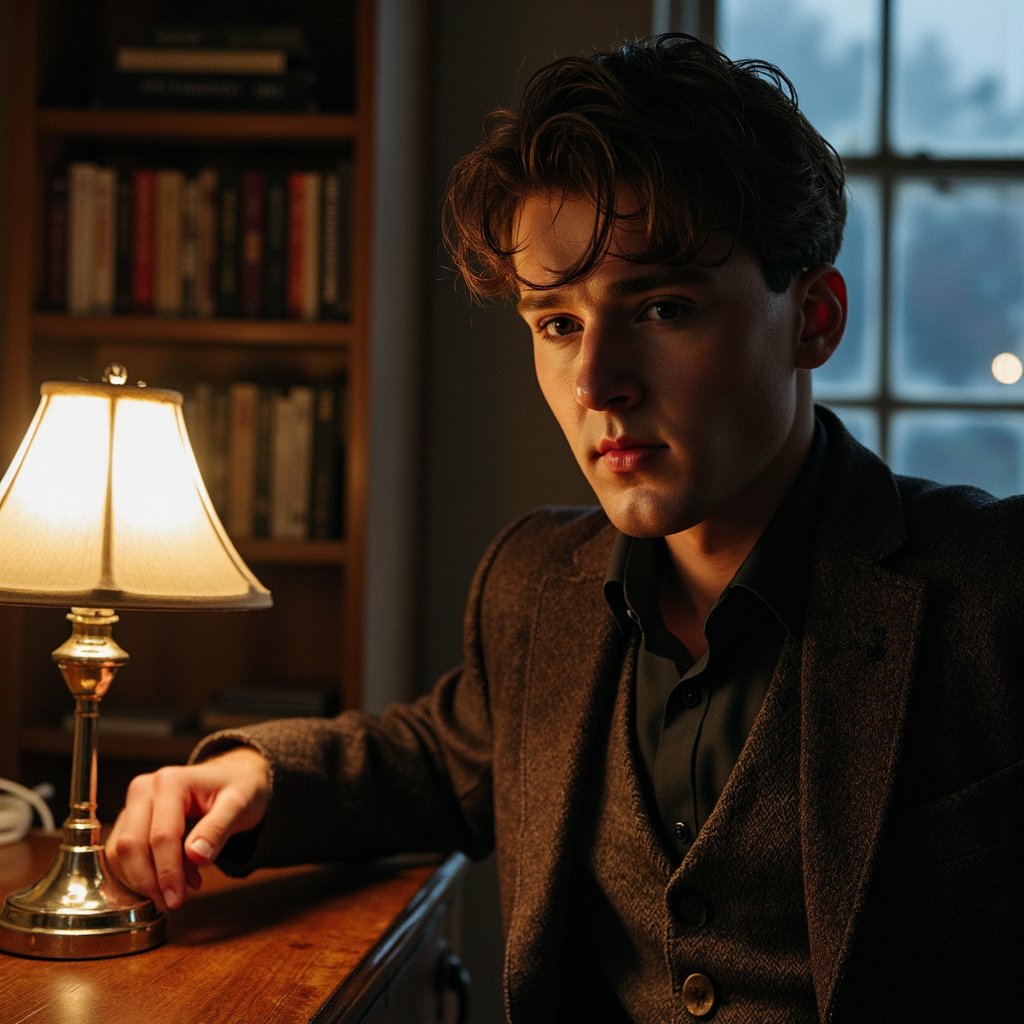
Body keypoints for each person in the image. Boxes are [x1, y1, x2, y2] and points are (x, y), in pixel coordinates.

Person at [109, 33, 1023, 1022]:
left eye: (663, 307)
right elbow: (433, 754)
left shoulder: (994, 591)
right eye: (555, 323)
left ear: (813, 319)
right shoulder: (536, 582)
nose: (595, 382)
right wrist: (249, 772)